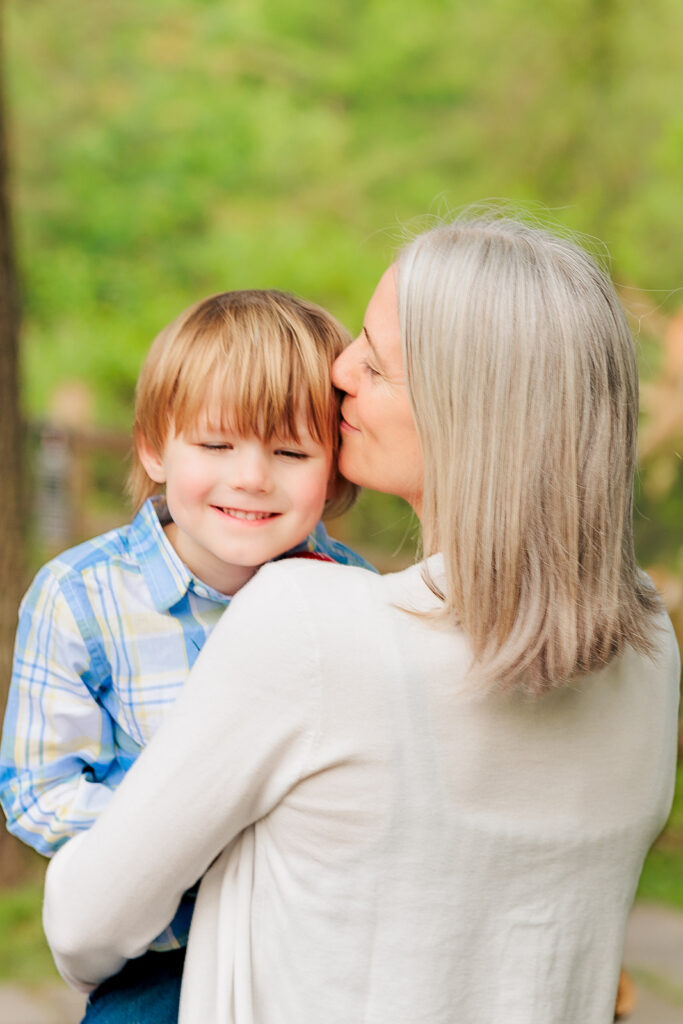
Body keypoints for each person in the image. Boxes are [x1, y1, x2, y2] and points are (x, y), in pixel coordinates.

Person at [43, 215, 680, 1024]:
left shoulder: (306, 623)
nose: (338, 370)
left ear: (466, 414)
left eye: (375, 365)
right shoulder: (648, 645)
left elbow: (86, 923)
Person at [0, 289, 373, 1023]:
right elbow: (39, 790)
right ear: (153, 447)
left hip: (314, 957)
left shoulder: (353, 596)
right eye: (215, 444)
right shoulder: (82, 598)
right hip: (159, 962)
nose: (251, 477)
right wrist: (181, 843)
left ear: (334, 470)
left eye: (291, 452)